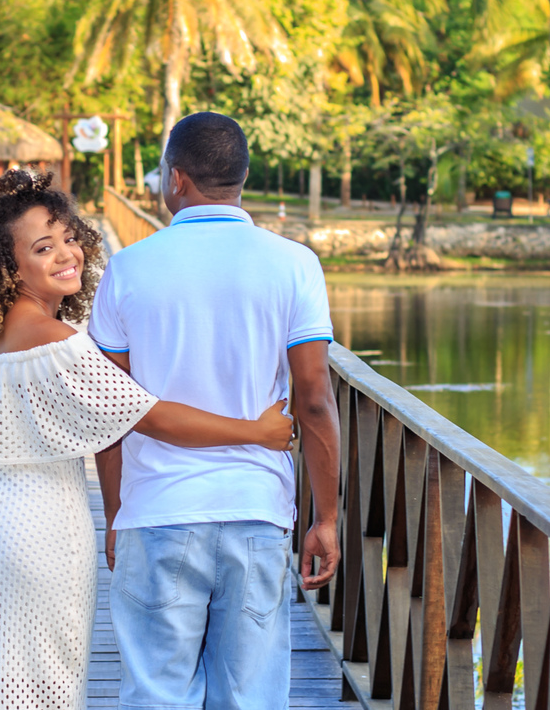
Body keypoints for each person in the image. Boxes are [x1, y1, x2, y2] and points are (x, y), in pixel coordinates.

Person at [0, 169, 296, 710]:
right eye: (43, 248)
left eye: (68, 237)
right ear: (7, 268)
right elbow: (149, 417)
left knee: (6, 693)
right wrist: (258, 432)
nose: (68, 254)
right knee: (48, 689)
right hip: (35, 533)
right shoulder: (53, 338)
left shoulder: (3, 333)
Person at [88, 112, 342, 710]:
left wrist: (116, 515)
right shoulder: (294, 263)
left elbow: (111, 413)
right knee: (251, 697)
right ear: (243, 176)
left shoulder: (126, 267)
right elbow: (313, 399)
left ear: (176, 179)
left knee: (156, 694)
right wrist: (325, 517)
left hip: (158, 510)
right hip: (256, 508)